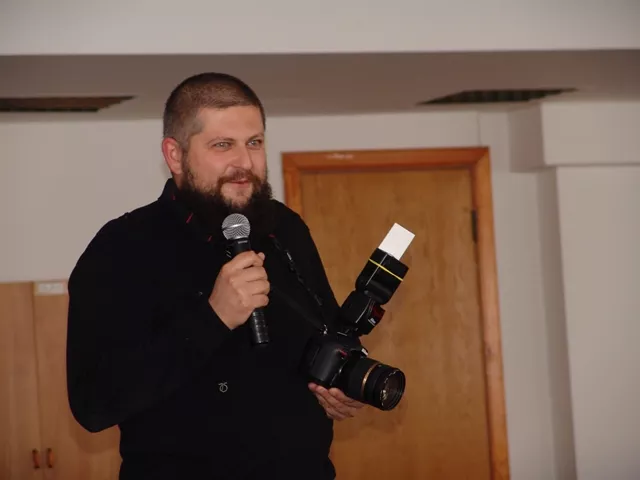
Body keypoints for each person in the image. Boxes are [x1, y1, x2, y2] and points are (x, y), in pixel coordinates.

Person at [66, 72, 364, 480]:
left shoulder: (286, 229)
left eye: (254, 143)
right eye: (223, 145)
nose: (245, 163)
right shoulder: (122, 247)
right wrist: (213, 317)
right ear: (175, 155)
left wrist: (342, 381)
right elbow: (93, 403)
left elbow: (328, 332)